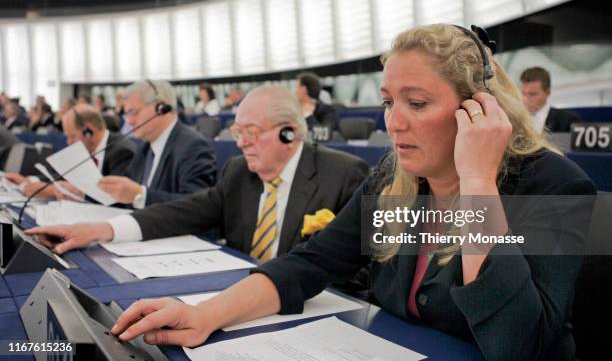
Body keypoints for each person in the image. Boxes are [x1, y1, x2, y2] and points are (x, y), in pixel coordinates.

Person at [102, 24, 595, 360]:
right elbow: (313, 262)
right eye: (388, 102)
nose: (394, 123)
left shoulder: (553, 187)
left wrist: (479, 183)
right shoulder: (396, 181)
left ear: (478, 110)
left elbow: (517, 345)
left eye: (417, 103)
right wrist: (203, 314)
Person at [26, 85, 369, 259]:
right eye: (237, 133)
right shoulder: (239, 173)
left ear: (291, 132)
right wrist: (100, 230)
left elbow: (362, 271)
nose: (241, 144)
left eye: (251, 132)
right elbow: (181, 213)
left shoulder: (346, 174)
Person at [95, 80, 216, 208]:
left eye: (134, 112)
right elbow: (124, 194)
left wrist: (140, 195)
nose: (129, 121)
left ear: (161, 108)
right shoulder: (145, 148)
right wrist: (87, 193)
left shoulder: (193, 147)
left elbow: (197, 206)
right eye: (126, 114)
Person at [5, 104, 135, 198]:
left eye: (72, 136)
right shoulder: (88, 148)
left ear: (88, 131)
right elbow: (64, 177)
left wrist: (54, 191)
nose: (68, 142)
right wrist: (30, 180)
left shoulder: (122, 151)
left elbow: (113, 197)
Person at [520, 66, 581, 132]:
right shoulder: (515, 120)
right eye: (523, 94)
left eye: (533, 94)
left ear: (547, 92)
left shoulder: (568, 120)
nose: (526, 99)